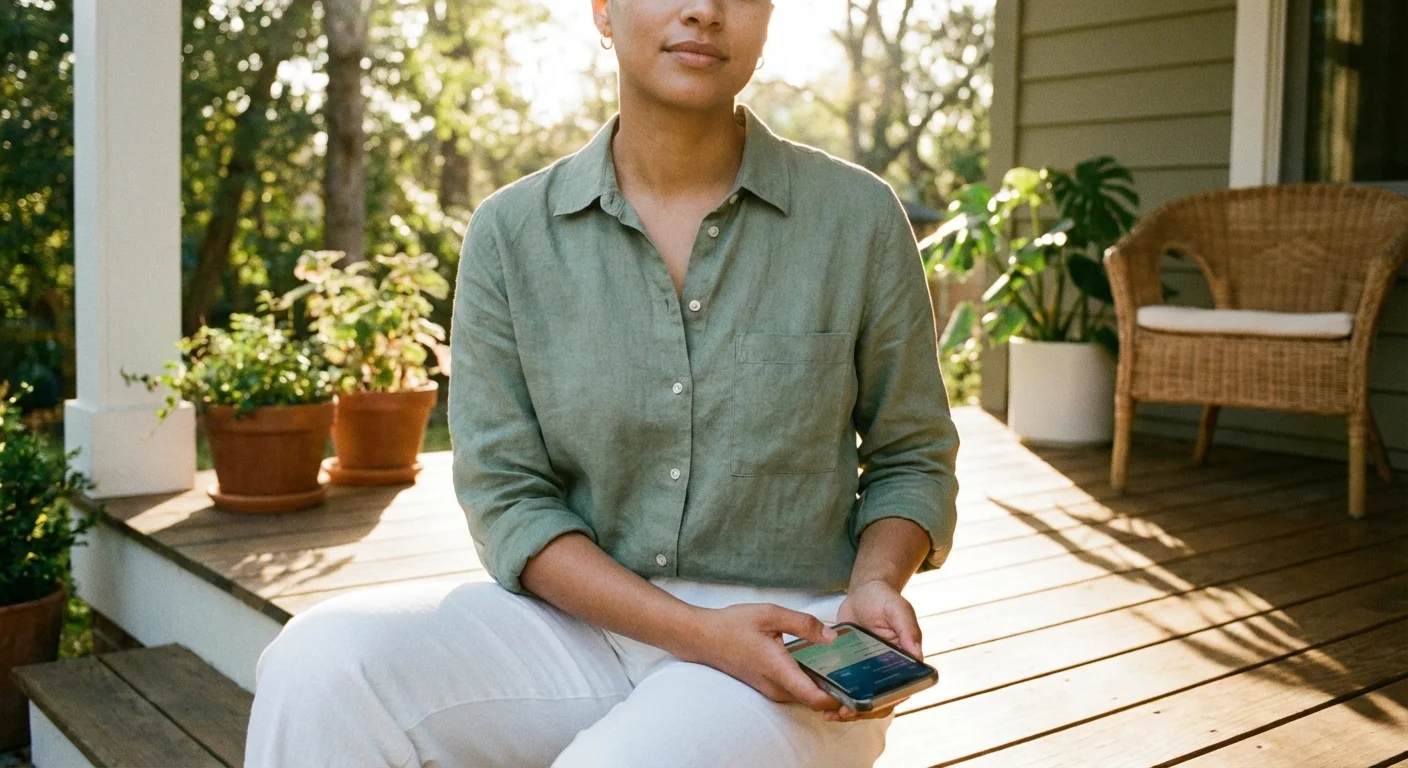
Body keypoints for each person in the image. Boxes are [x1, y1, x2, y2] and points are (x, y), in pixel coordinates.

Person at [242, 0, 960, 765]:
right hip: (577, 623)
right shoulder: (512, 233)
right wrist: (692, 631)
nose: (705, 11)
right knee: (318, 663)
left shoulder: (857, 218)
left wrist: (879, 580)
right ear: (603, 11)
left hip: (793, 638)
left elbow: (910, 457)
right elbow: (508, 497)